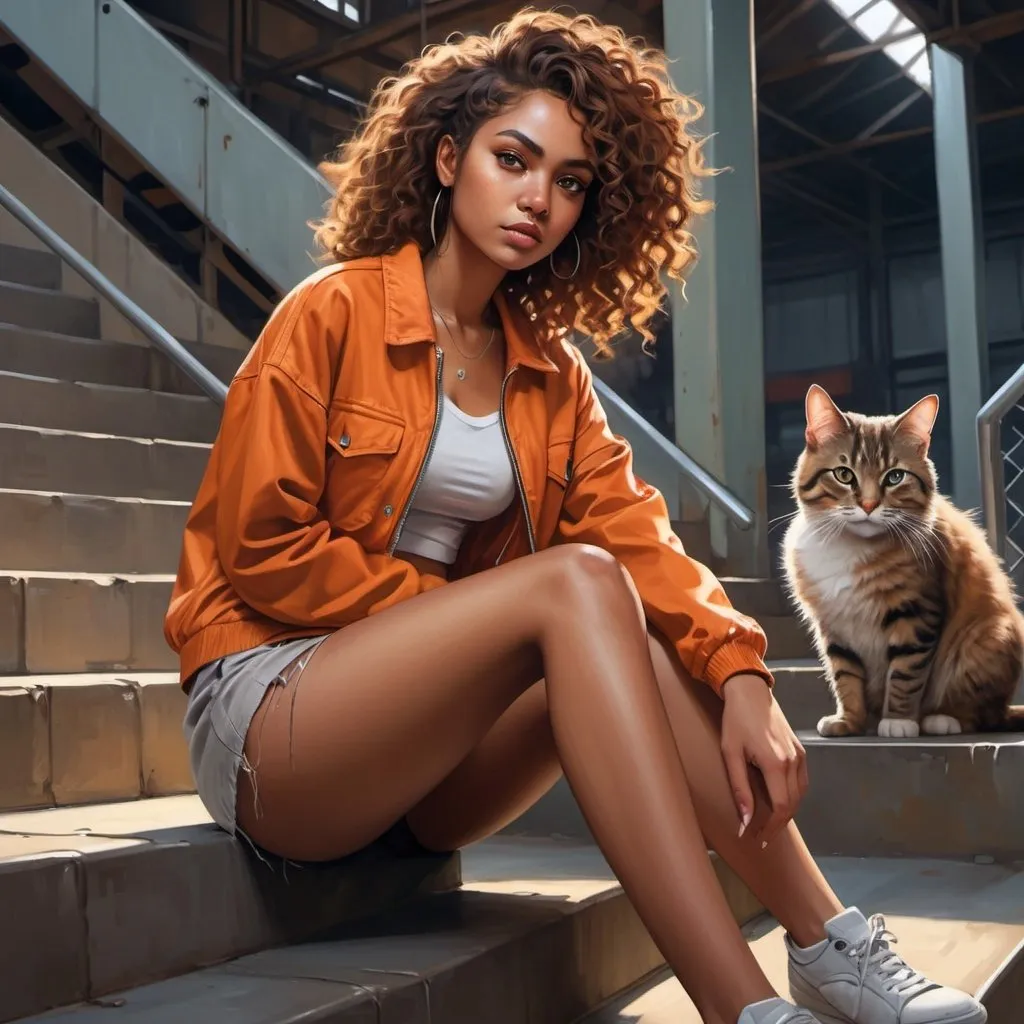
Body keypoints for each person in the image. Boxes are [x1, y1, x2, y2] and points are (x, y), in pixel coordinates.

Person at [165, 10, 986, 1024]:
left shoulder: (548, 375)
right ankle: (742, 1008)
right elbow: (262, 552)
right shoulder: (331, 314)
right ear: (444, 156)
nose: (537, 198)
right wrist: (463, 611)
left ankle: (827, 945)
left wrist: (737, 671)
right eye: (513, 159)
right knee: (574, 584)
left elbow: (637, 531)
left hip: (423, 771)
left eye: (568, 180)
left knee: (628, 618)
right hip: (276, 715)